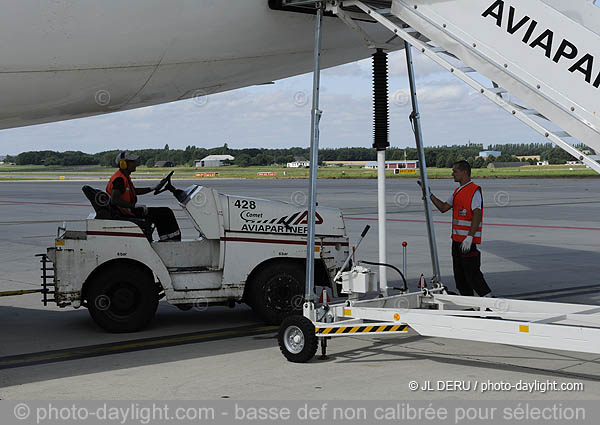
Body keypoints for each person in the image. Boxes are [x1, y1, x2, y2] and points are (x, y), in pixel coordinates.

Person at [426, 160, 493, 297]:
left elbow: (477, 214)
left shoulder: (474, 191)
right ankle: (469, 304)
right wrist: (429, 195)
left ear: (464, 172)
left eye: (455, 171)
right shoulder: (457, 191)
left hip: (467, 242)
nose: (452, 174)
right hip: (456, 241)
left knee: (473, 276)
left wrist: (470, 237)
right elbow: (443, 208)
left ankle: (490, 302)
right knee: (460, 278)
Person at [107, 152, 181, 242]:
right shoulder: (119, 179)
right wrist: (134, 206)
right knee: (166, 212)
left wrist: (153, 187)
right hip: (127, 213)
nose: (135, 164)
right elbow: (115, 200)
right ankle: (171, 240)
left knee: (163, 212)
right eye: (132, 161)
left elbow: (134, 191)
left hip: (128, 211)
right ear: (123, 164)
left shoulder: (124, 177)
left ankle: (166, 239)